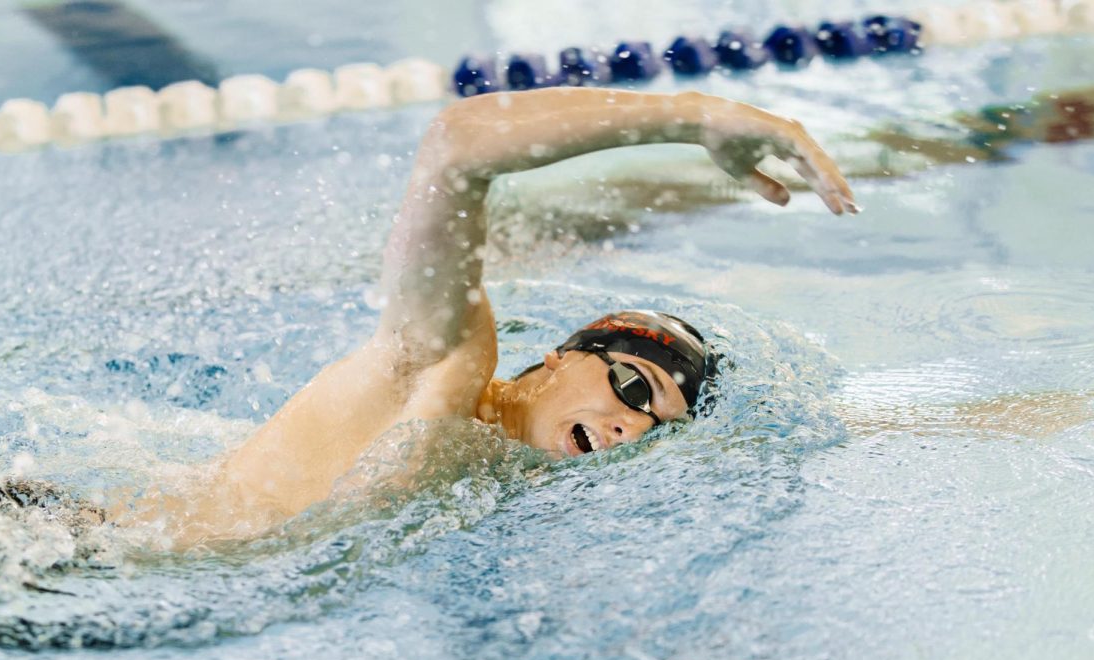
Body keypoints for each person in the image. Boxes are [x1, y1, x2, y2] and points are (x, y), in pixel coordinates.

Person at [99, 87, 855, 544]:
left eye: (660, 427)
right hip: (72, 552)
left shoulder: (505, 470)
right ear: (561, 358)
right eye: (633, 387)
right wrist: (695, 118)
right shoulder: (446, 368)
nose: (634, 428)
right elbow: (455, 147)